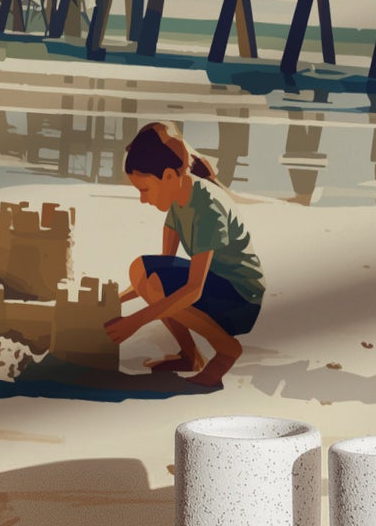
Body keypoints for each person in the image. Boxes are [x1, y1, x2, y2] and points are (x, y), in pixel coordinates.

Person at [104, 122, 264, 386]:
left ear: (168, 176)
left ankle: (227, 350)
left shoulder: (207, 207)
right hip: (215, 284)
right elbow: (158, 274)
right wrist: (115, 300)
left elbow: (192, 290)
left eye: (144, 189)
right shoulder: (178, 201)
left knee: (155, 283)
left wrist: (135, 321)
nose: (143, 200)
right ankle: (190, 356)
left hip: (241, 299)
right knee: (143, 272)